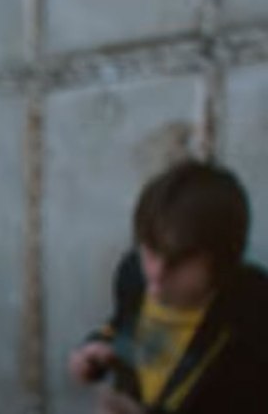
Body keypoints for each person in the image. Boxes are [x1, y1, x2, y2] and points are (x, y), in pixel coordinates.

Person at [68, 160, 268, 413]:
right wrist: (95, 350)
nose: (156, 273)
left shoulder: (252, 309)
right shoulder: (133, 273)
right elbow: (123, 326)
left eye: (178, 261)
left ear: (220, 260)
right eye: (151, 251)